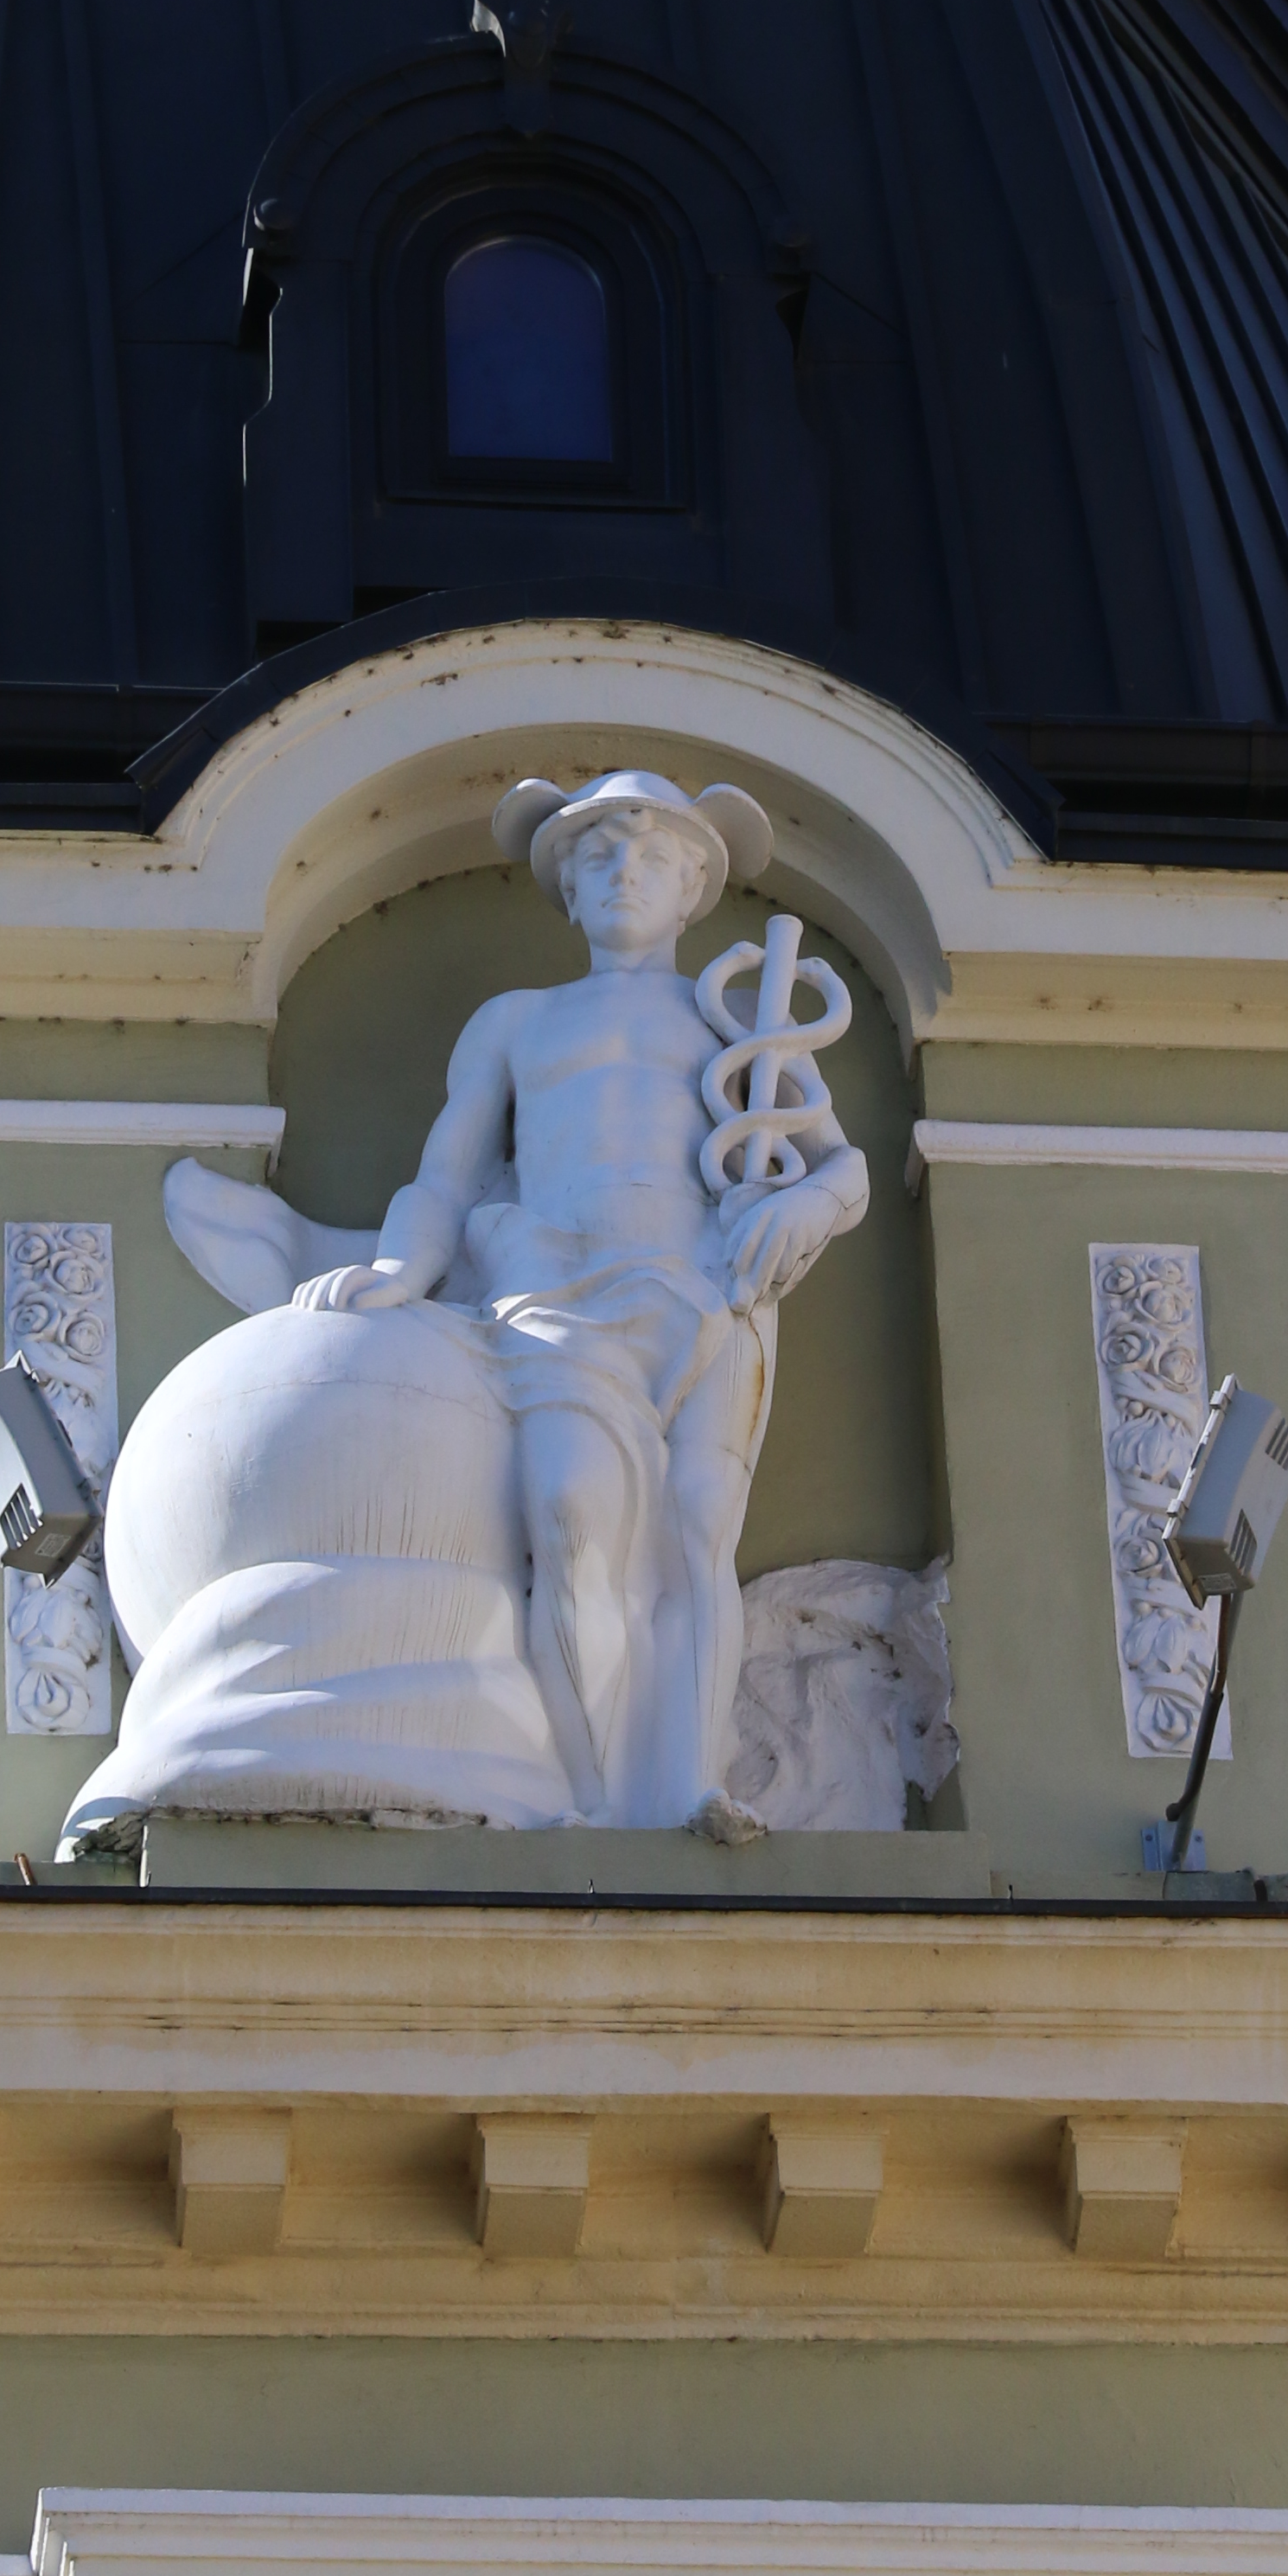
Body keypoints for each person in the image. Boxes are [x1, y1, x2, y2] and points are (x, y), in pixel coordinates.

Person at [293, 770, 868, 1823]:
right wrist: (398, 1269)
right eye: (599, 857)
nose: (624, 875)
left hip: (710, 1287)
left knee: (697, 1534)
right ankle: (596, 1803)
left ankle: (687, 1785)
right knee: (568, 1518)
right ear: (566, 886)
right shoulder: (517, 1023)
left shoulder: (736, 1023)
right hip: (554, 1291)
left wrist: (808, 1210)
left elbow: (842, 1167)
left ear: (695, 885)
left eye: (652, 859)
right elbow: (447, 1174)